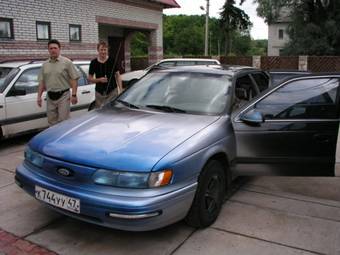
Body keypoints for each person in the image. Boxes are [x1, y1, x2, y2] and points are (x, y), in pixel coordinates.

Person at [37, 39, 80, 125]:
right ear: (48, 50)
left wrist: (74, 95)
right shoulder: (45, 65)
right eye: (51, 48)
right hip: (50, 97)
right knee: (51, 121)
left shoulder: (67, 62)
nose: (53, 50)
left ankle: (65, 138)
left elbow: (74, 79)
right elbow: (42, 82)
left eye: (55, 48)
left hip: (63, 96)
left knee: (63, 122)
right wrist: (39, 96)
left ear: (59, 49)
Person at [88, 40, 122, 108]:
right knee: (101, 112)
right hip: (99, 92)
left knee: (112, 111)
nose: (103, 51)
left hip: (112, 91)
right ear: (98, 50)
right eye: (101, 50)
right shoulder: (93, 62)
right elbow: (90, 78)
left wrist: (120, 90)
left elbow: (118, 75)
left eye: (105, 50)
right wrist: (99, 80)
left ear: (107, 50)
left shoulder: (112, 60)